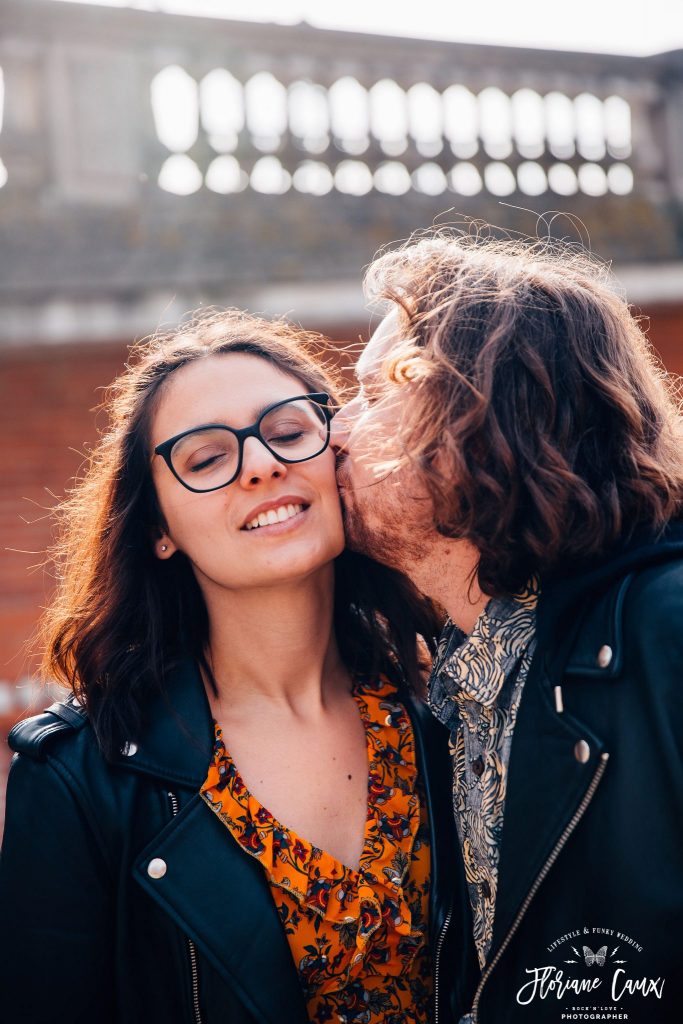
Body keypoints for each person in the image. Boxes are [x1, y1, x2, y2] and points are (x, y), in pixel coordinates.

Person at [0, 309, 459, 1024]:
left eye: (286, 432)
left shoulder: (455, 704)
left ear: (339, 453)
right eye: (207, 458)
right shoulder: (78, 779)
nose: (262, 464)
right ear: (158, 529)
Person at [331, 231, 683, 1024]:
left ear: (490, 412)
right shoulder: (452, 672)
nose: (338, 432)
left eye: (373, 395)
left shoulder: (667, 629)